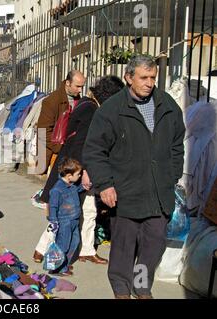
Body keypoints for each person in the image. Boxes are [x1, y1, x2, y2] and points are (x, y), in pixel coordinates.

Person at [83, 55, 186, 299]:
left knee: (154, 243)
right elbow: (95, 150)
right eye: (143, 78)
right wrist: (105, 185)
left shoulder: (167, 105)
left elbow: (176, 145)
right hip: (125, 192)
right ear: (129, 78)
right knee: (124, 246)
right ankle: (121, 290)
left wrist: (172, 174)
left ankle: (141, 287)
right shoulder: (112, 110)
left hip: (159, 192)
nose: (149, 83)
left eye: (152, 78)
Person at [33, 76, 125, 265]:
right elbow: (81, 144)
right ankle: (43, 249)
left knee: (89, 210)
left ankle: (86, 250)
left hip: (80, 169)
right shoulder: (91, 110)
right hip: (78, 171)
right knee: (65, 213)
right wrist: (83, 172)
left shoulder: (87, 105)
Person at [37, 70, 85, 176]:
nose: (80, 90)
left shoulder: (78, 99)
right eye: (77, 86)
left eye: (82, 86)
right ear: (68, 83)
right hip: (54, 149)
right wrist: (59, 148)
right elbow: (42, 131)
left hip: (70, 148)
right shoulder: (51, 101)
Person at [47, 158, 84, 277]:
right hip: (64, 222)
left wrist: (85, 186)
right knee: (63, 245)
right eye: (78, 174)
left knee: (75, 242)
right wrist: (53, 221)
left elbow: (77, 189)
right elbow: (52, 206)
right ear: (69, 175)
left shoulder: (71, 185)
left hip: (74, 220)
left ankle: (64, 263)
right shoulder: (57, 190)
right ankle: (58, 268)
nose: (80, 176)